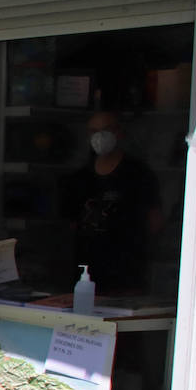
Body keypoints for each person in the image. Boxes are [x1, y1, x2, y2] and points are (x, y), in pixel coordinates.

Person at [62, 110, 163, 294]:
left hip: (126, 273)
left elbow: (154, 221)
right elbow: (71, 224)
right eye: (94, 131)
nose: (100, 136)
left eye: (106, 129)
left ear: (119, 132)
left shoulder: (138, 174)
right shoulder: (80, 179)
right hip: (86, 273)